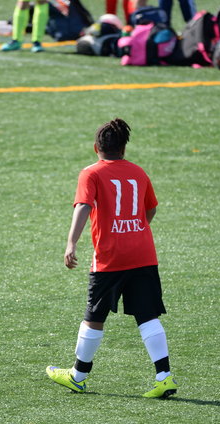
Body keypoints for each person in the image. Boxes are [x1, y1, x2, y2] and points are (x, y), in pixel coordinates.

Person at [46, 118, 178, 399]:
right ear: (124, 148)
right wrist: (135, 231)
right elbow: (151, 209)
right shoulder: (138, 172)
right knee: (147, 315)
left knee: (94, 317)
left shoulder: (90, 173)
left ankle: (78, 376)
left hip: (110, 258)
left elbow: (83, 206)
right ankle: (164, 377)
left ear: (96, 148)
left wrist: (71, 243)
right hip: (143, 254)